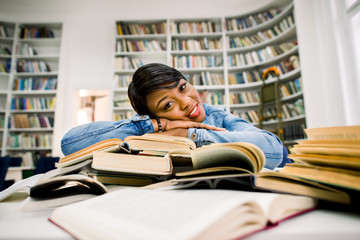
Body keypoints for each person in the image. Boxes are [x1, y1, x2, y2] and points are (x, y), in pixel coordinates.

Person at [61, 63, 284, 169]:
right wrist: (153, 126)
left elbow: (274, 150)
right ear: (154, 115)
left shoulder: (216, 117)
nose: (187, 102)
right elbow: (69, 143)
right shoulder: (150, 130)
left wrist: (191, 134)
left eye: (183, 87)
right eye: (168, 105)